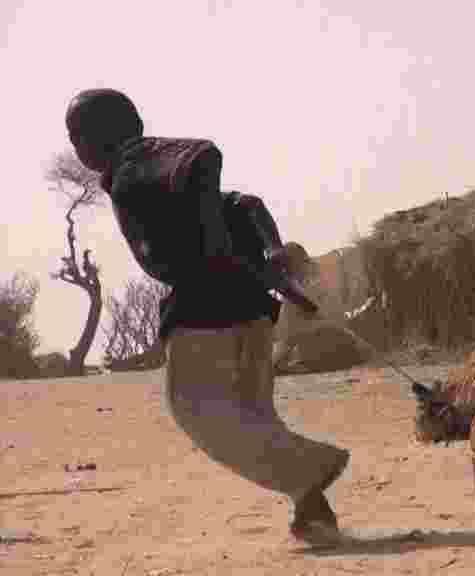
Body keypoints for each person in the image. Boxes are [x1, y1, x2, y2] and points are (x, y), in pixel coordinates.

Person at [64, 88, 351, 547]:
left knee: (198, 411)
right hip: (251, 305)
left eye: (76, 135)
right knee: (255, 419)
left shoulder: (134, 166)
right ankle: (313, 514)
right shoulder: (146, 162)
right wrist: (268, 254)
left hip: (205, 305)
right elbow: (245, 203)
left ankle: (313, 467)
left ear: (98, 137)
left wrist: (222, 255)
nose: (75, 147)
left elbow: (200, 162)